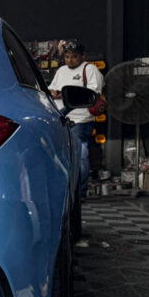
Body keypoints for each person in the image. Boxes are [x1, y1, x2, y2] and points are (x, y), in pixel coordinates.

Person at [48, 40, 103, 201]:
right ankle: (66, 191)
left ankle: (81, 191)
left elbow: (93, 92)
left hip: (81, 119)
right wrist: (54, 92)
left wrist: (69, 95)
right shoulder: (61, 71)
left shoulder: (90, 69)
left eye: (74, 57)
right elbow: (51, 88)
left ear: (82, 56)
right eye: (67, 57)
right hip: (63, 117)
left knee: (80, 154)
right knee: (63, 155)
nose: (70, 60)